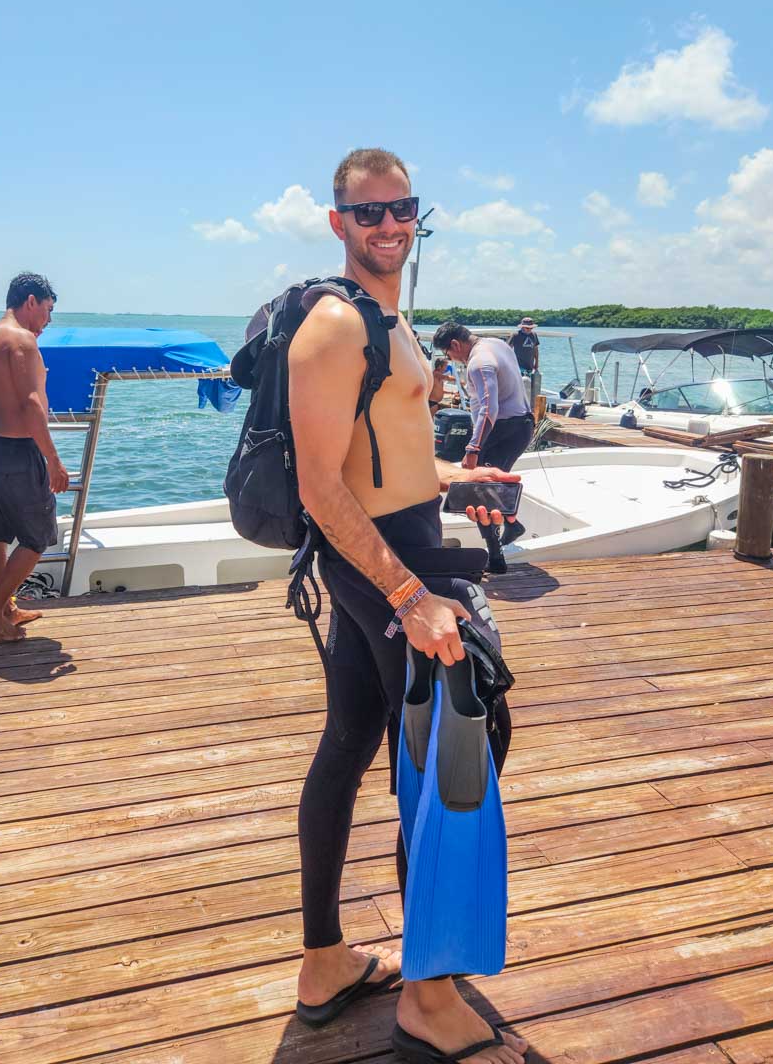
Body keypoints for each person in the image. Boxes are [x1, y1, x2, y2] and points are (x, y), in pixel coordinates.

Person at [288, 148, 528, 1064]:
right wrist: (408, 594)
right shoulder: (332, 327)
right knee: (454, 746)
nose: (389, 225)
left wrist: (457, 474)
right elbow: (320, 485)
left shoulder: (388, 319)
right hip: (380, 564)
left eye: (403, 209)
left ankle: (324, 964)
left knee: (352, 739)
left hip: (397, 540)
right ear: (337, 220)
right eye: (369, 212)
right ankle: (428, 992)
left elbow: (379, 458)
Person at [0, 273, 70, 641]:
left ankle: (7, 608)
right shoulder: (22, 341)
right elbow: (30, 405)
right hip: (15, 453)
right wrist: (53, 460)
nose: (48, 320)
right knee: (38, 536)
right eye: (48, 310)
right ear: (31, 302)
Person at [432, 322, 534, 474]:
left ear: (455, 345)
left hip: (504, 429)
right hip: (521, 425)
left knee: (482, 485)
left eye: (448, 355)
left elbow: (489, 410)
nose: (451, 359)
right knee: (489, 486)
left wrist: (473, 449)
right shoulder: (498, 344)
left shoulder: (479, 363)